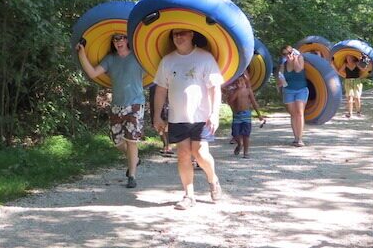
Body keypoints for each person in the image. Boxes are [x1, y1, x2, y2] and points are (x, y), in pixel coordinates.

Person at [152, 29, 225, 209]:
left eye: (182, 33)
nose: (178, 37)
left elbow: (215, 88)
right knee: (183, 154)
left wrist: (215, 113)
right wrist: (157, 115)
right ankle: (188, 195)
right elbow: (161, 89)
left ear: (192, 35)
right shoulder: (167, 61)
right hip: (177, 118)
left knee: (200, 153)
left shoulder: (205, 58)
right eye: (175, 34)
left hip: (201, 117)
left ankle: (213, 179)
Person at [77, 31, 146, 188]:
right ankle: (134, 159)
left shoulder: (138, 57)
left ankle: (132, 176)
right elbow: (93, 73)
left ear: (128, 40)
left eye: (121, 37)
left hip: (135, 104)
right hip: (117, 105)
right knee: (117, 141)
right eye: (115, 39)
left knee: (131, 140)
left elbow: (153, 65)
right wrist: (81, 53)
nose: (118, 41)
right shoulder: (110, 59)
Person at [227, 72, 265, 158]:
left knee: (246, 134)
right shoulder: (234, 92)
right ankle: (239, 144)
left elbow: (254, 103)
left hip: (246, 115)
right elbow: (230, 101)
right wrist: (235, 92)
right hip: (237, 115)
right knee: (235, 133)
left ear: (245, 82)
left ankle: (246, 152)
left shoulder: (248, 91)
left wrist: (259, 114)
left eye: (241, 81)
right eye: (236, 82)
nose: (238, 84)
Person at [277, 45, 307, 146]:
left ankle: (300, 138)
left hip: (301, 89)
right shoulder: (283, 64)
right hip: (288, 90)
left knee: (299, 113)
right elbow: (280, 78)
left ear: (293, 52)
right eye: (285, 54)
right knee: (293, 114)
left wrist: (294, 60)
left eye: (289, 53)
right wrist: (281, 82)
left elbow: (298, 70)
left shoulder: (300, 58)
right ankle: (295, 138)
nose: (287, 55)